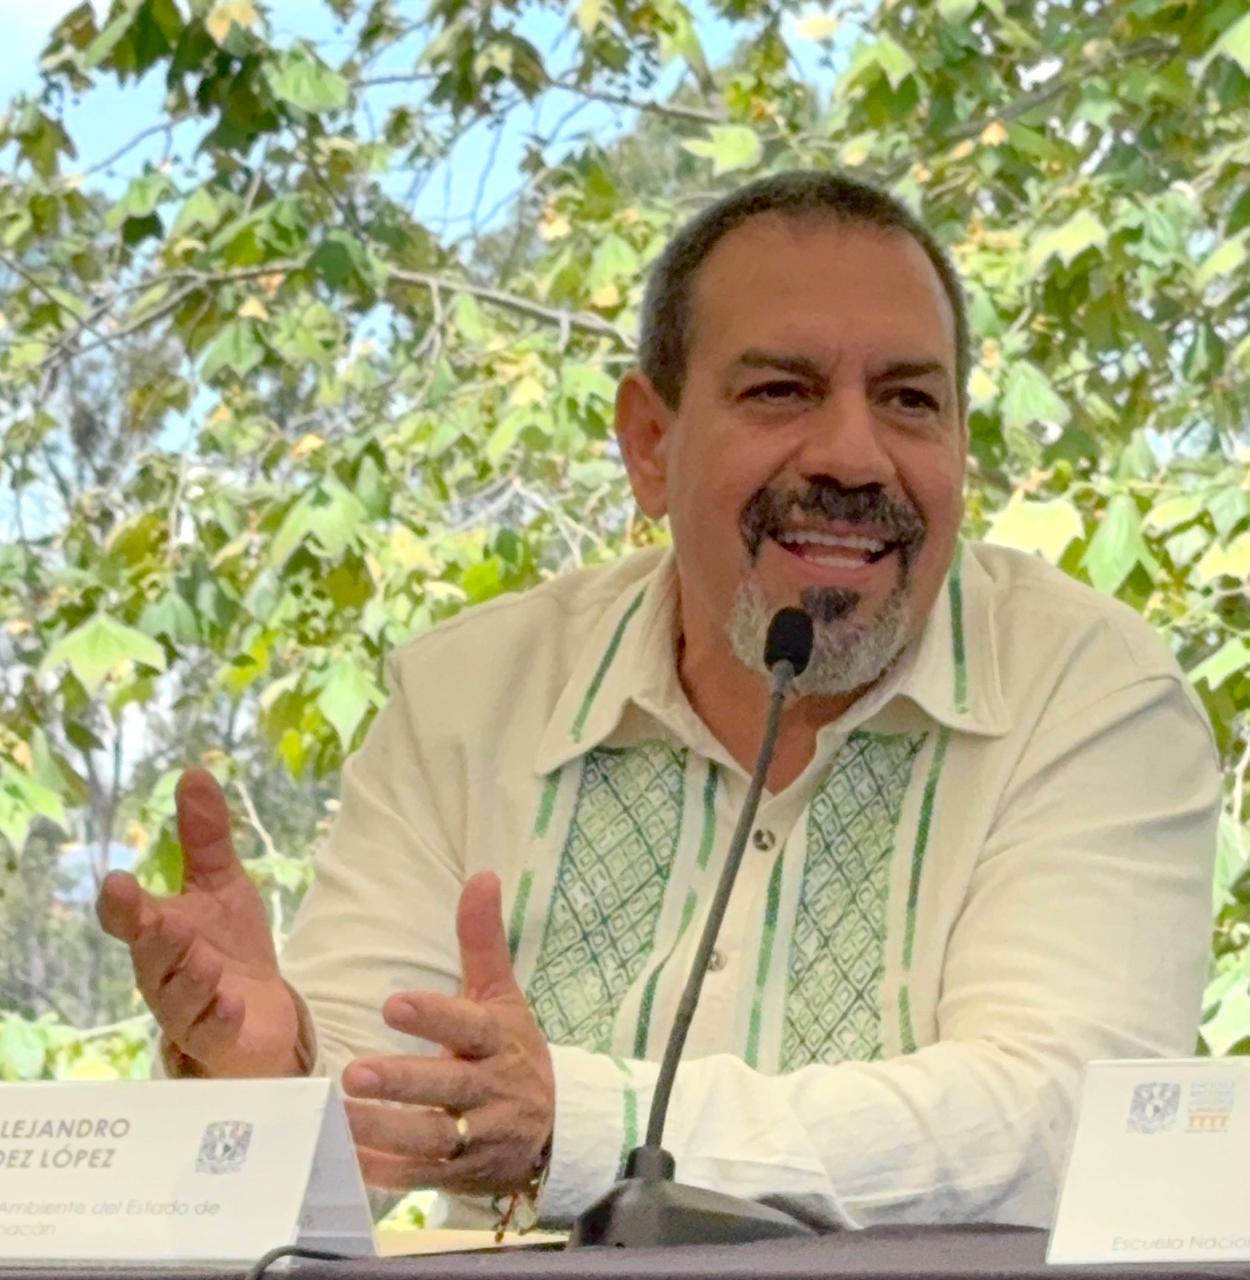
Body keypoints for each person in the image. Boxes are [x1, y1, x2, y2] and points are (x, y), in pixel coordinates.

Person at [97, 170, 1220, 1232]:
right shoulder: (467, 696)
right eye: (779, 391)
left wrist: (583, 1126)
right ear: (649, 442)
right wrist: (264, 1072)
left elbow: (1062, 1119)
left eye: (909, 400)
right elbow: (371, 1119)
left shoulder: (1089, 691)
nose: (853, 454)